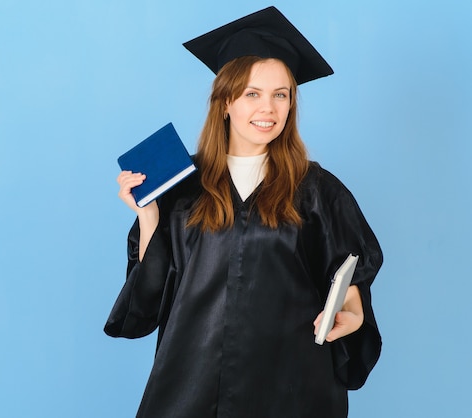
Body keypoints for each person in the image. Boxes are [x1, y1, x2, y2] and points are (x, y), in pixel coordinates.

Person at [105, 6, 383, 418]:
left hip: (293, 385)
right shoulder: (180, 186)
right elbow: (151, 297)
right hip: (192, 381)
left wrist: (353, 312)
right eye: (252, 93)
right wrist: (148, 214)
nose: (267, 109)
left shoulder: (317, 189)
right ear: (225, 102)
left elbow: (349, 272)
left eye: (280, 95)